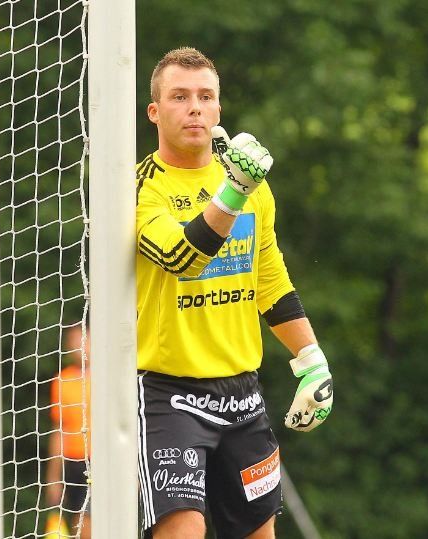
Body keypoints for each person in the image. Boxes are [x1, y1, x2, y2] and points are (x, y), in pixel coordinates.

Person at [136, 47, 334, 539]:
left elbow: (270, 281)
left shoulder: (252, 186)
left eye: (206, 97)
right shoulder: (142, 187)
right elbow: (181, 258)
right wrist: (233, 191)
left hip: (242, 396)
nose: (195, 108)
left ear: (219, 109)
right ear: (155, 111)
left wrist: (312, 360)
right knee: (184, 530)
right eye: (179, 97)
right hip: (168, 396)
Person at [45, 323, 91, 539]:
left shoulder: (109, 379)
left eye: (81, 340)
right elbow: (59, 430)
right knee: (77, 525)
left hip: (99, 460)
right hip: (72, 463)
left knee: (89, 523)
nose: (77, 346)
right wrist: (54, 478)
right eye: (72, 341)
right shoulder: (61, 381)